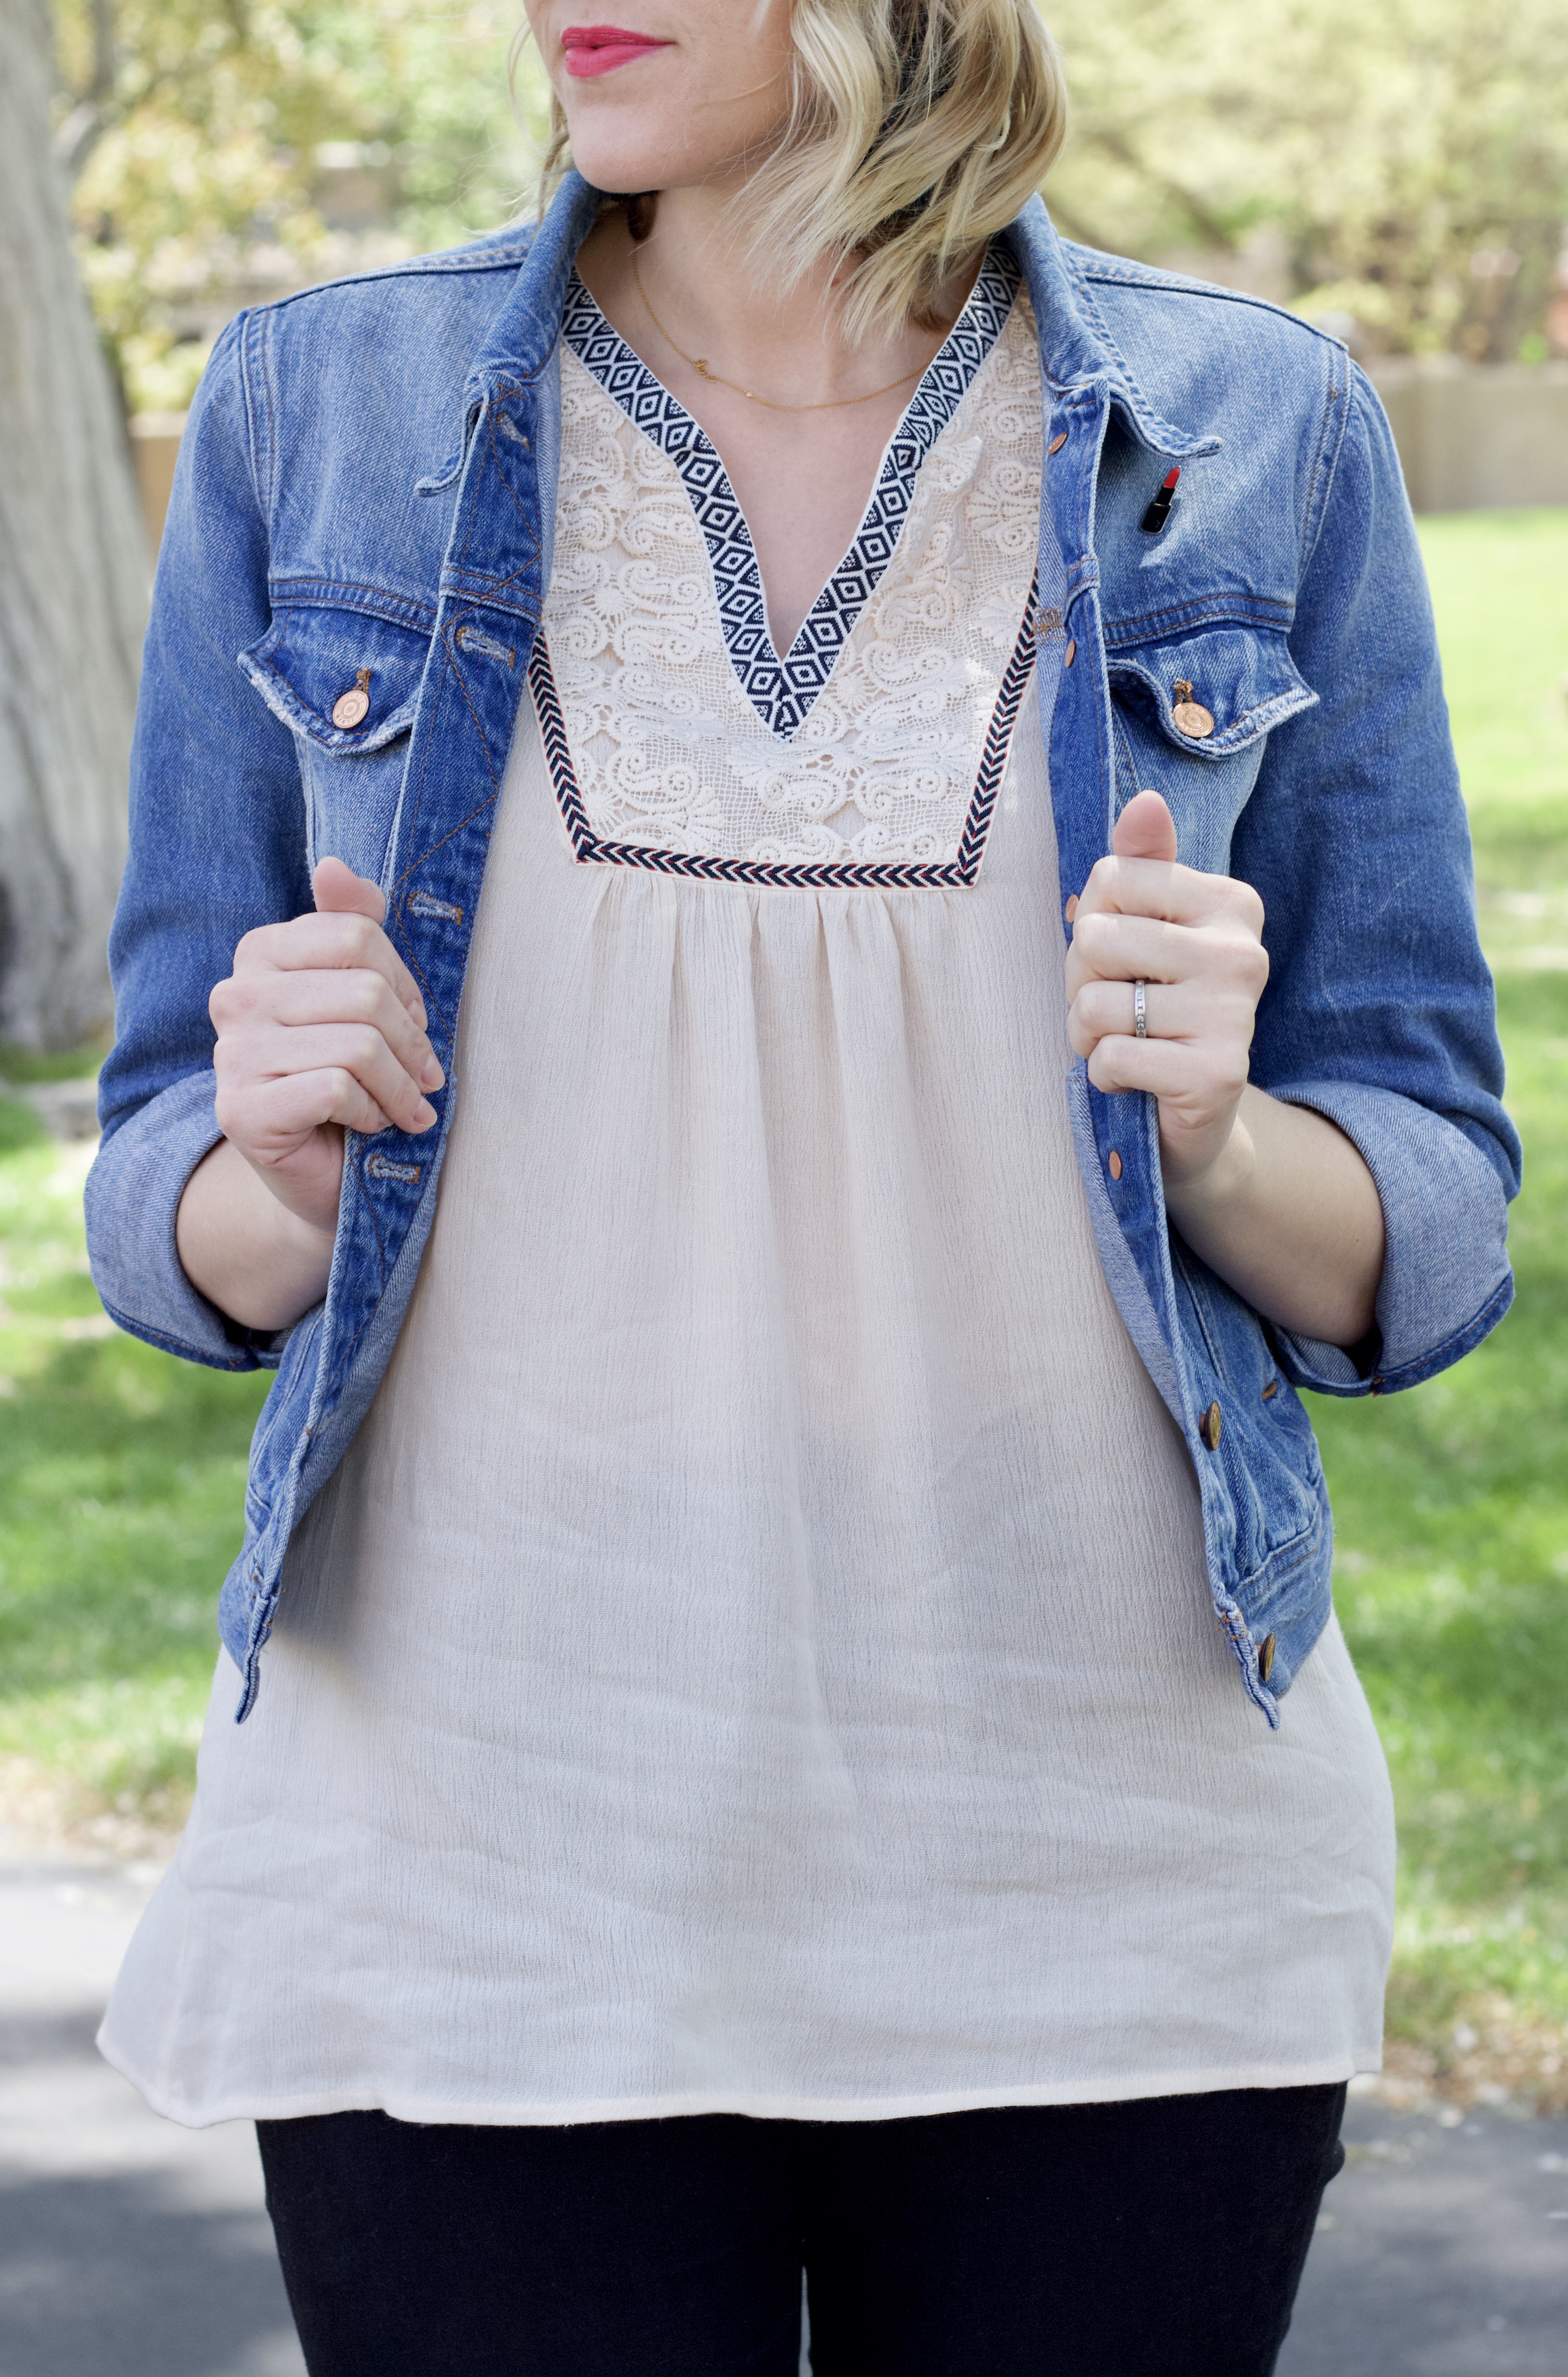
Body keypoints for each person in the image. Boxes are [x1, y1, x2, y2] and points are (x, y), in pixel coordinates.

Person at [86, 3, 1520, 2370]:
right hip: (473, 1868)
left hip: (1112, 1884)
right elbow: (167, 1201)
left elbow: (1432, 1206)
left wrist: (1219, 1136)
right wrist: (280, 1172)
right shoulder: (310, 416)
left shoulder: (1260, 428)